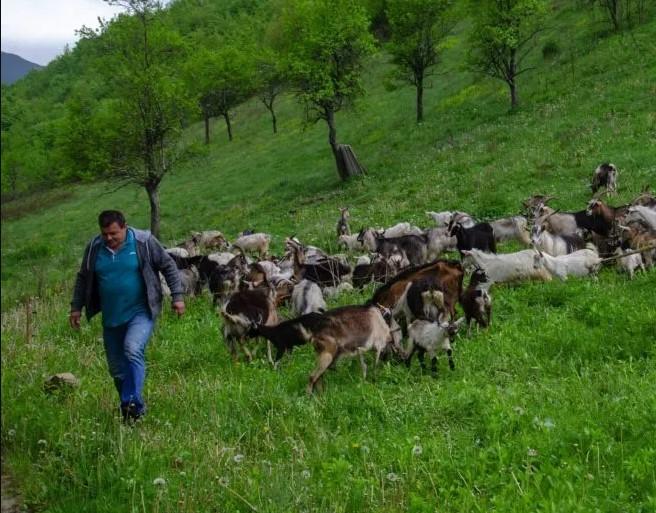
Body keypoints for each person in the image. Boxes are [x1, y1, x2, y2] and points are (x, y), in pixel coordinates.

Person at [70, 210, 185, 422]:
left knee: (132, 349)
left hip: (141, 311)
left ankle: (131, 404)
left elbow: (168, 265)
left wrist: (177, 296)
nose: (109, 238)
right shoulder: (95, 248)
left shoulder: (144, 242)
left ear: (125, 227)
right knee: (117, 370)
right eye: (105, 234)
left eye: (114, 233)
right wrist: (76, 307)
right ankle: (133, 411)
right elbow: (83, 278)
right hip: (112, 317)